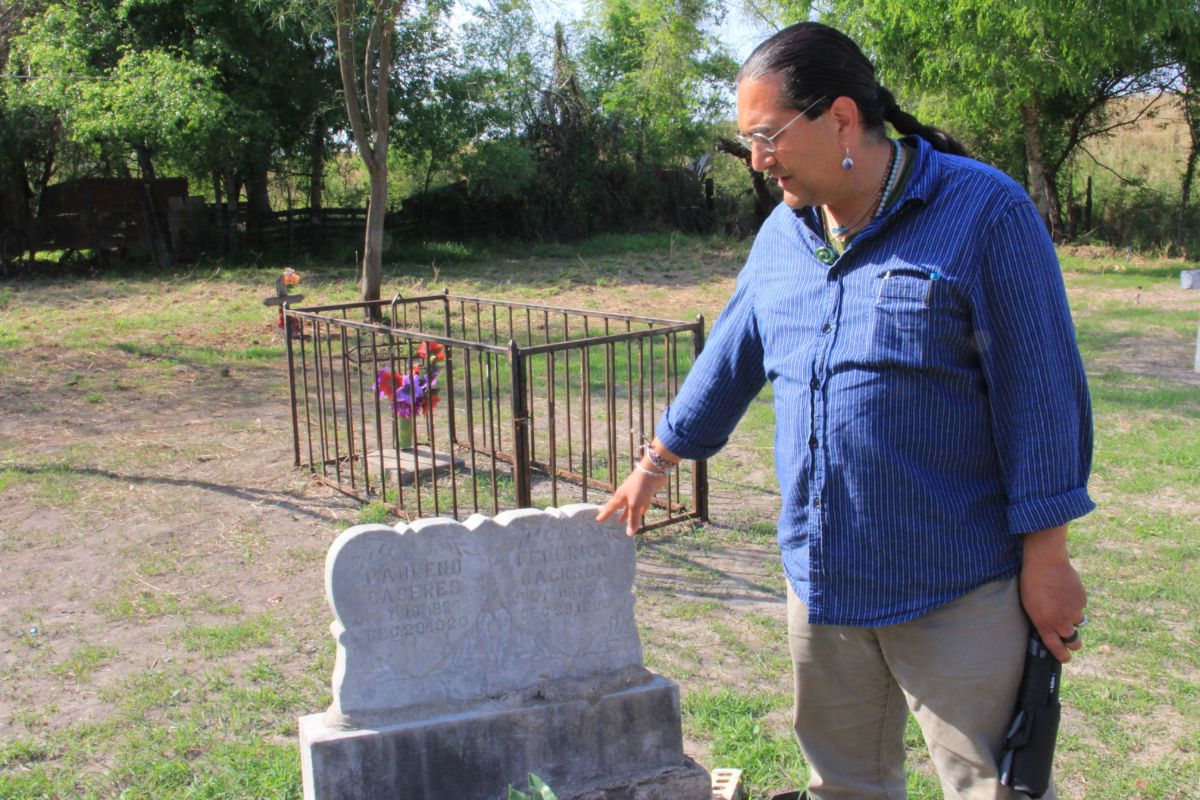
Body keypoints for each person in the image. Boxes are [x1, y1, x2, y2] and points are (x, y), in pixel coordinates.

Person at [597, 21, 1093, 800]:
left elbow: (1042, 396)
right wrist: (654, 465)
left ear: (838, 119)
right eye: (747, 141)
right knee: (842, 787)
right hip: (822, 587)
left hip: (956, 587)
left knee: (992, 789)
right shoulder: (782, 238)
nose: (756, 160)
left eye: (767, 136)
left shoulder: (984, 214)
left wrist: (1049, 556)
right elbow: (728, 359)